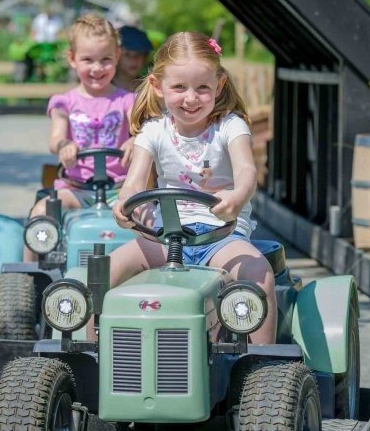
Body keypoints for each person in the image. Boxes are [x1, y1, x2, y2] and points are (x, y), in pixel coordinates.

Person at [109, 31, 276, 344]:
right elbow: (133, 181)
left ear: (219, 85)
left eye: (202, 88)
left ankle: (262, 366)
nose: (191, 98)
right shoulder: (153, 131)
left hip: (220, 235)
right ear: (158, 87)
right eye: (179, 88)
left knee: (259, 273)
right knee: (104, 271)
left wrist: (238, 196)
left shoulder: (230, 126)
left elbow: (246, 170)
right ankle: (93, 355)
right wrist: (124, 203)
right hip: (166, 235)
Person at [23, 13, 136, 262]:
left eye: (105, 60)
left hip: (121, 189)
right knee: (40, 213)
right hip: (77, 188)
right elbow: (55, 138)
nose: (97, 68)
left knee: (151, 214)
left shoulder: (128, 101)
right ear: (72, 59)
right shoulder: (64, 102)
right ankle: (28, 274)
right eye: (88, 60)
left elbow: (145, 131)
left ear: (117, 57)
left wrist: (135, 140)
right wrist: (64, 145)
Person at [113, 25, 153, 92]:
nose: (133, 59)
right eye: (127, 54)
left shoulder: (150, 89)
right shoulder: (101, 87)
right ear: (115, 56)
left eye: (139, 54)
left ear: (145, 57)